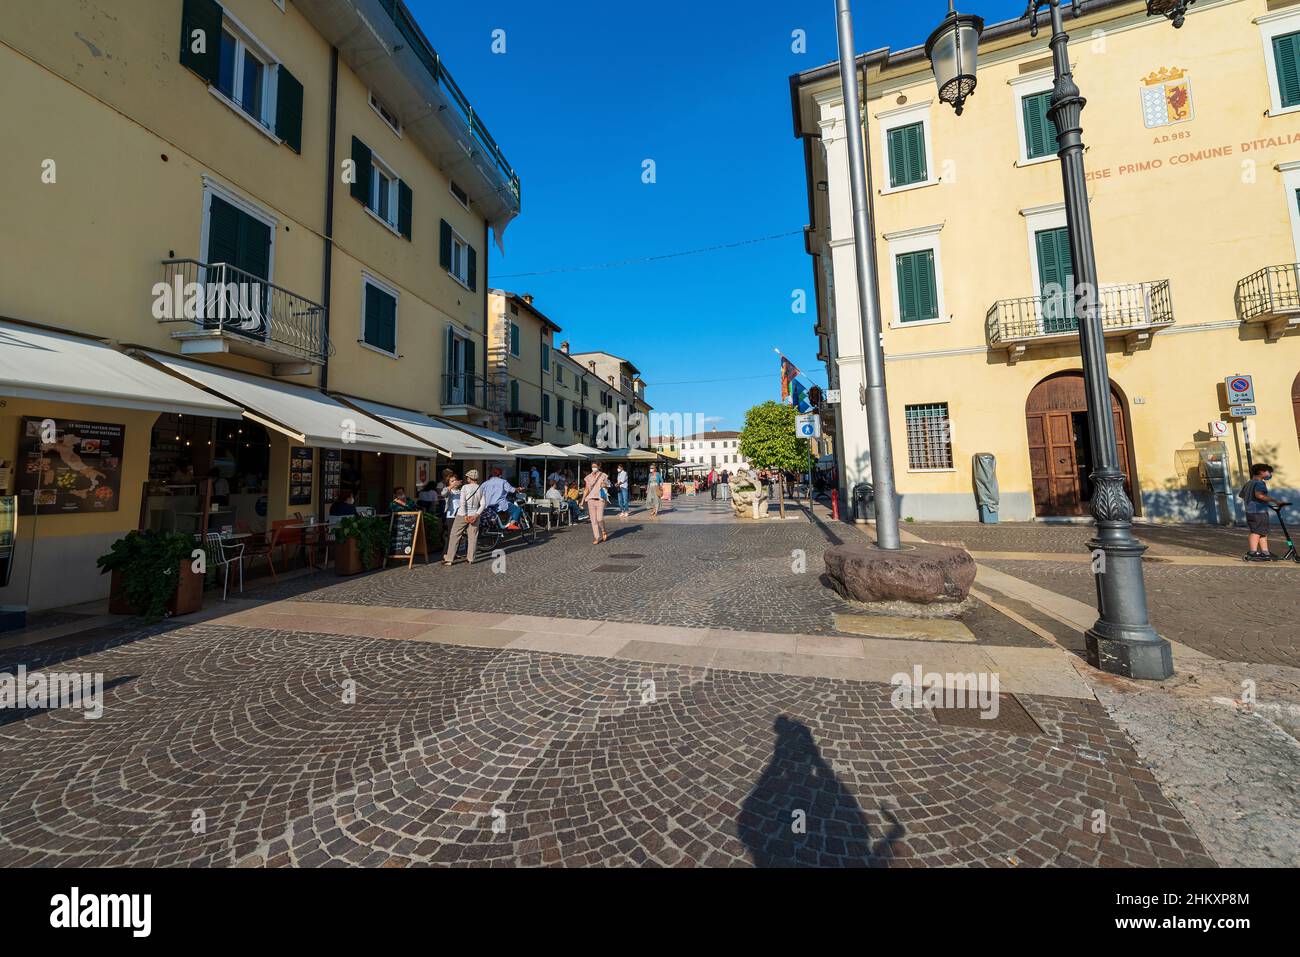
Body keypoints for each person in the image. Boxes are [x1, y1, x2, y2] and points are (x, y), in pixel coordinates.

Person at [1241, 462, 1286, 561]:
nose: (1270, 474)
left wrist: (1250, 500)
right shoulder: (1259, 483)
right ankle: (1253, 552)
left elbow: (1242, 495)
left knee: (1263, 532)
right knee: (1256, 532)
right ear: (1261, 472)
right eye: (1268, 472)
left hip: (1252, 510)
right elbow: (1259, 495)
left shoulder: (1248, 483)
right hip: (1258, 512)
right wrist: (1275, 501)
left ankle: (1265, 552)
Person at [444, 470, 484, 565]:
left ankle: (449, 559)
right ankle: (470, 559)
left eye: (467, 477)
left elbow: (462, 502)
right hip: (474, 515)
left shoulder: (465, 487)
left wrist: (465, 515)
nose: (467, 479)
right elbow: (483, 504)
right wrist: (476, 515)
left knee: (454, 536)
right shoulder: (480, 488)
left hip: (462, 515)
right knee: (472, 537)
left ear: (469, 478)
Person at [481, 466, 523, 531]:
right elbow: (512, 490)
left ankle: (503, 524)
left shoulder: (485, 483)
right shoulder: (503, 482)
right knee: (517, 509)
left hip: (488, 506)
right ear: (500, 475)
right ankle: (512, 525)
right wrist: (519, 489)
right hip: (500, 504)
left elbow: (480, 493)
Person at [583, 462, 611, 544]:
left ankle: (603, 531)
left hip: (600, 499)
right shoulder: (588, 477)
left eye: (595, 466)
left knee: (599, 519)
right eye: (592, 466)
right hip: (591, 500)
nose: (593, 468)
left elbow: (609, 484)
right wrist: (582, 500)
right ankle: (596, 537)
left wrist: (605, 484)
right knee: (593, 520)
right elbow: (586, 489)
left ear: (599, 466)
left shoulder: (604, 475)